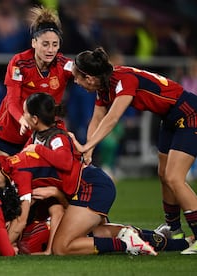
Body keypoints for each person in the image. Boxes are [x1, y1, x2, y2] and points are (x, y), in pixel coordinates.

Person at [69, 46, 197, 255]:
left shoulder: (123, 80)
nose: (75, 82)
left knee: (174, 177)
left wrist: (86, 146)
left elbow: (112, 118)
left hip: (189, 112)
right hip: (170, 117)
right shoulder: (105, 86)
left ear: (89, 77)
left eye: (77, 78)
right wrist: (88, 150)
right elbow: (97, 118)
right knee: (164, 174)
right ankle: (174, 230)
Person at [19, 92, 156, 256]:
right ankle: (166, 240)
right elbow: (21, 159)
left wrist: (38, 150)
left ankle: (125, 244)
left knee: (62, 248)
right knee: (96, 233)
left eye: (25, 113)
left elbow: (65, 162)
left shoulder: (56, 137)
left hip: (91, 185)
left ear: (35, 119)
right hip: (83, 187)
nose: (22, 116)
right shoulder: (37, 137)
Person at [0, 5, 73, 155]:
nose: (50, 50)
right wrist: (22, 119)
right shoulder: (20, 63)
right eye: (45, 44)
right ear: (34, 43)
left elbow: (85, 73)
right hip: (11, 133)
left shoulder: (64, 65)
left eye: (54, 44)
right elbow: (12, 100)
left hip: (42, 135)